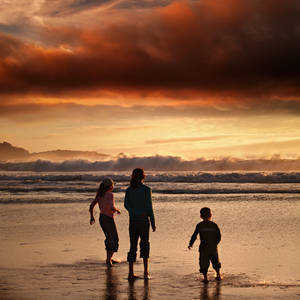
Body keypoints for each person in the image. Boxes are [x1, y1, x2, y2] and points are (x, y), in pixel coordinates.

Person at [124, 168, 156, 280]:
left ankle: (130, 273)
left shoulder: (129, 190)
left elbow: (126, 205)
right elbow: (149, 207)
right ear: (143, 176)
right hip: (143, 221)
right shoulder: (147, 190)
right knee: (144, 245)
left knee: (133, 246)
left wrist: (134, 213)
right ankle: (146, 273)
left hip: (133, 221)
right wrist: (153, 222)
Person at [89, 177, 121, 267]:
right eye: (112, 185)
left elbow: (91, 206)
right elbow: (111, 207)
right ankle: (108, 259)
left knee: (109, 238)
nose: (113, 186)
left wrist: (91, 217)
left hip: (102, 218)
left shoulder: (100, 195)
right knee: (114, 239)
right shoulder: (110, 195)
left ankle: (109, 258)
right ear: (110, 186)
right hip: (108, 219)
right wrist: (117, 210)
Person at [188, 207, 222, 283]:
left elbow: (194, 235)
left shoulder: (199, 225)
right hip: (213, 248)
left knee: (203, 263)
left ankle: (205, 278)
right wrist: (215, 243)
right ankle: (218, 275)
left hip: (203, 248)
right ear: (210, 215)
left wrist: (190, 244)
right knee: (215, 262)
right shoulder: (214, 225)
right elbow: (219, 235)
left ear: (201, 216)